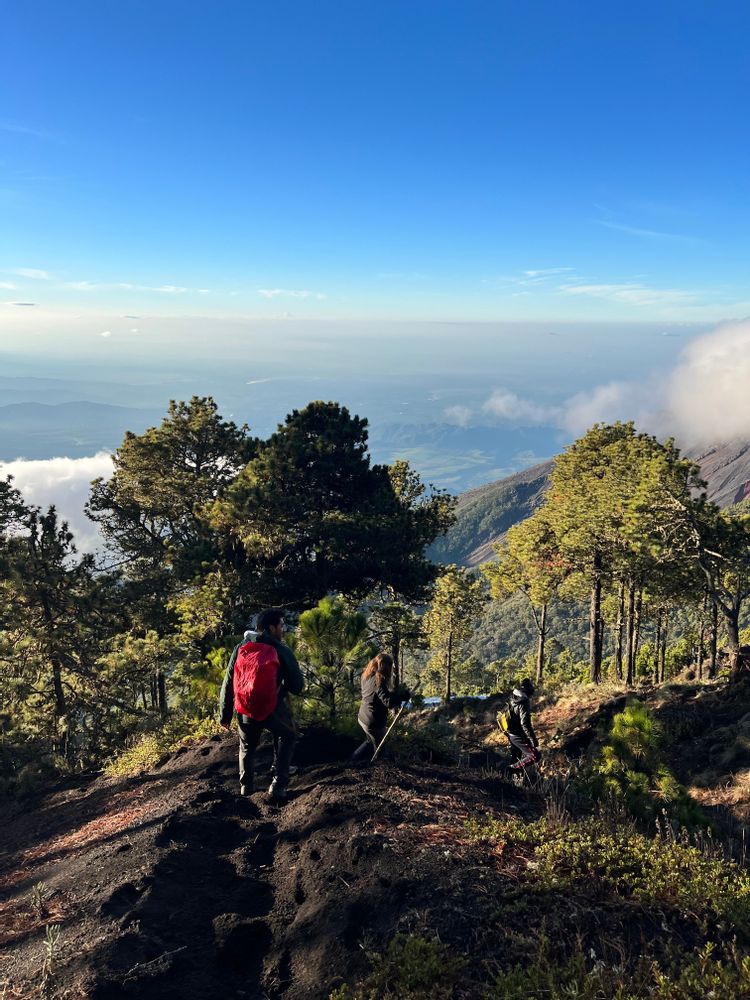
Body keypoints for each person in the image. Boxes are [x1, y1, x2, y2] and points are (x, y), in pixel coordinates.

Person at [219, 608, 304, 802]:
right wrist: (282, 688)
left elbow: (228, 681)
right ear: (272, 628)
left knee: (247, 746)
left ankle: (246, 786)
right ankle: (278, 785)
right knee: (288, 735)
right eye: (281, 625)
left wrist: (224, 714)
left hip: (245, 708)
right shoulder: (280, 649)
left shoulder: (241, 646)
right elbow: (297, 686)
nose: (283, 629)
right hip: (271, 707)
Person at [350, 653, 409, 762]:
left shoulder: (367, 675)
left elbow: (382, 696)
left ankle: (353, 760)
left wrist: (398, 696)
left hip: (363, 717)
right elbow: (388, 702)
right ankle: (377, 771)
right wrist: (402, 697)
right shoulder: (379, 680)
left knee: (369, 742)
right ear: (386, 667)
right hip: (373, 722)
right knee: (381, 750)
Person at [498, 678, 540, 773]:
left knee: (516, 758)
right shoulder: (523, 702)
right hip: (517, 734)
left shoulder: (513, 696)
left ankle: (507, 780)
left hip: (510, 732)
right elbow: (525, 723)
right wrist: (533, 739)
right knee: (535, 756)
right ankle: (508, 770)